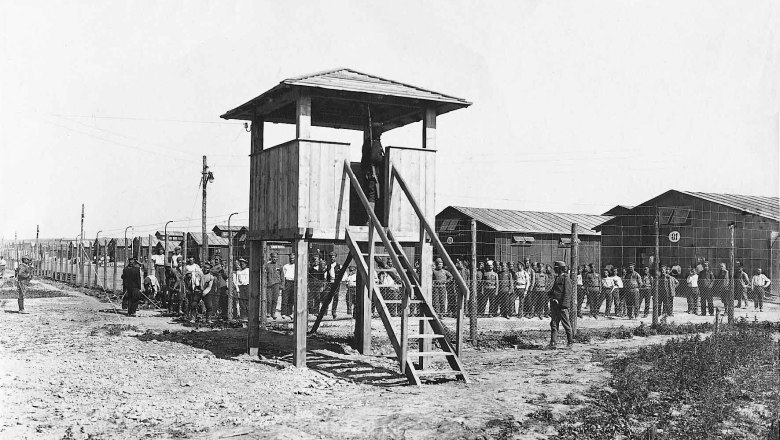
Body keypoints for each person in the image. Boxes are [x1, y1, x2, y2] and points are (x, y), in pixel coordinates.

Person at [360, 117, 385, 219]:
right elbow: (374, 158)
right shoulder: (374, 143)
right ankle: (370, 219)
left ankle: (369, 218)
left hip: (368, 172)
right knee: (372, 195)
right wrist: (382, 159)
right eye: (379, 131)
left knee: (370, 194)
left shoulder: (368, 142)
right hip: (373, 173)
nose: (381, 133)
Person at [547, 261, 574, 349]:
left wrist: (564, 306)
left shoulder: (566, 278)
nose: (554, 269)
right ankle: (553, 342)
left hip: (562, 306)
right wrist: (550, 295)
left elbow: (567, 293)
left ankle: (570, 342)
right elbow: (555, 290)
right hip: (555, 305)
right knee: (554, 324)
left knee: (566, 324)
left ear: (560, 268)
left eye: (556, 268)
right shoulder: (557, 277)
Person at [323, 252, 342, 319]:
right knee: (327, 297)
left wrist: (339, 280)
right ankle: (324, 311)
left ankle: (334, 312)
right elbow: (324, 274)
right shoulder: (327, 266)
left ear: (335, 257)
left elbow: (343, 274)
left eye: (333, 257)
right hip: (329, 283)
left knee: (335, 298)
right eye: (331, 257)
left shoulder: (339, 266)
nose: (332, 258)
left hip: (336, 283)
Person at [264, 252, 283, 319]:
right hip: (269, 285)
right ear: (271, 258)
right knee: (269, 300)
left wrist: (282, 285)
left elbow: (282, 276)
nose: (274, 258)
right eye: (273, 257)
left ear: (277, 258)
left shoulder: (280, 266)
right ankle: (268, 312)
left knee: (275, 299)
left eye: (275, 257)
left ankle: (273, 313)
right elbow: (265, 275)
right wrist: (265, 283)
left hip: (276, 284)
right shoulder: (267, 265)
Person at [281, 254, 296, 319]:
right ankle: (283, 313)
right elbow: (283, 276)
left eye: (293, 258)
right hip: (287, 282)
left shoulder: (297, 266)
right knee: (285, 297)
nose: (291, 259)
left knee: (291, 299)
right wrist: (283, 284)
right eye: (290, 258)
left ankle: (289, 313)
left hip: (294, 282)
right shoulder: (285, 266)